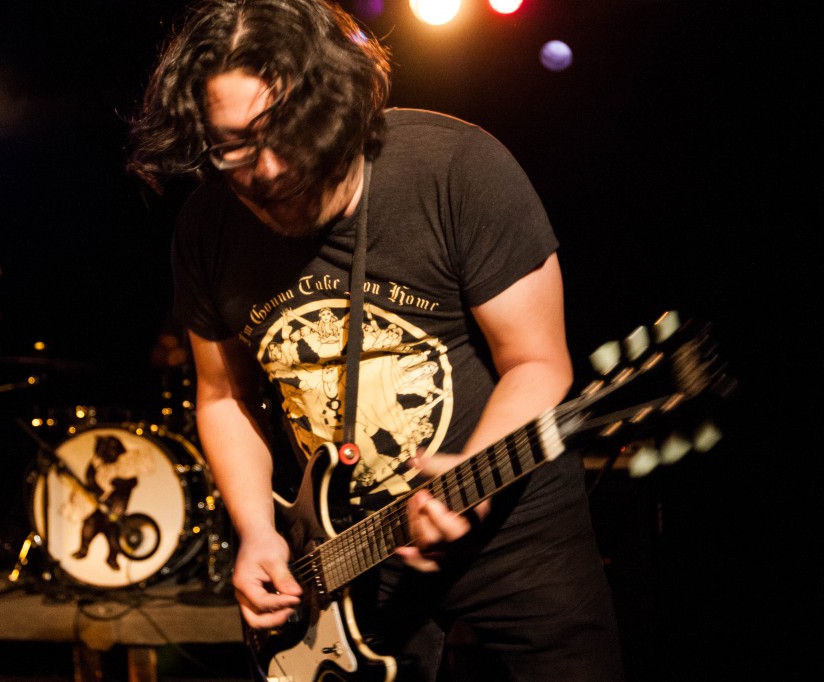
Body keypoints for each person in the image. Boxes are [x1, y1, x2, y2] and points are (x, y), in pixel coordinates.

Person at [127, 1, 624, 679]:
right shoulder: (205, 227)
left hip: (517, 528)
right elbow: (222, 397)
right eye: (232, 144)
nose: (265, 169)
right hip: (347, 555)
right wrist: (258, 533)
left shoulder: (457, 168)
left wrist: (469, 478)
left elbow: (537, 362)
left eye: (284, 132)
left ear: (338, 104)